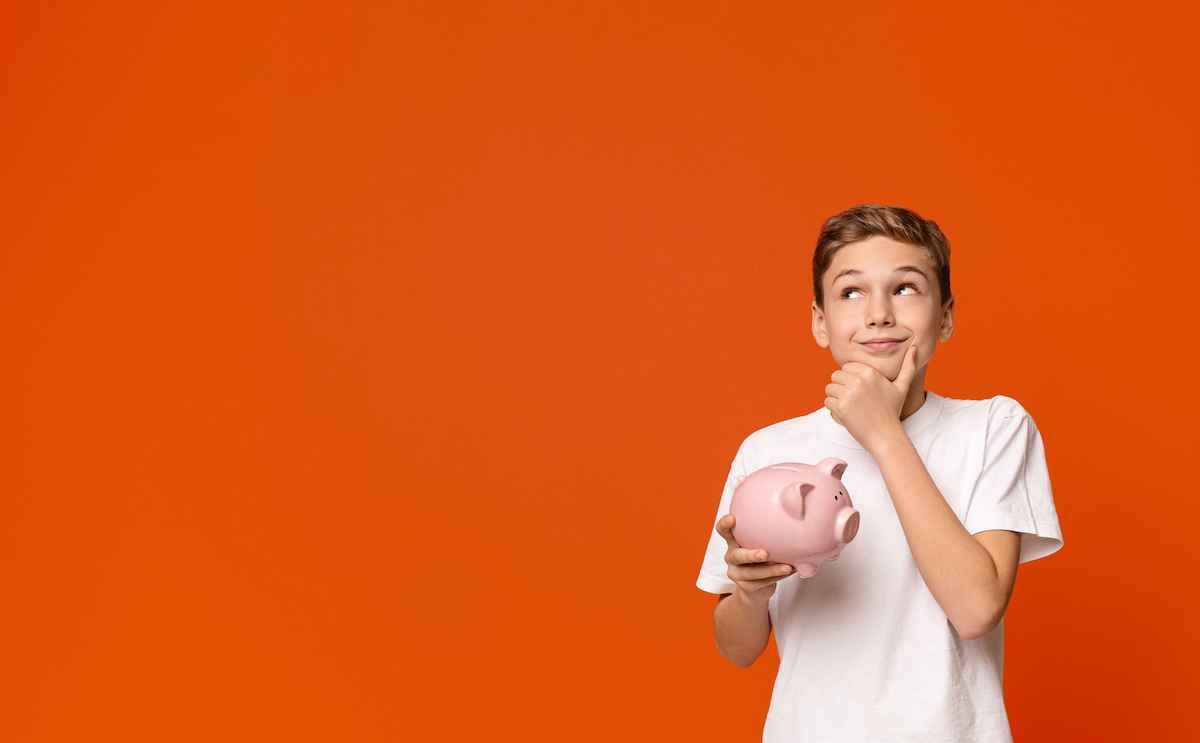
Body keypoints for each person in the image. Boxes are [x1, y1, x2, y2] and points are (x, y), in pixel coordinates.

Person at [696, 204, 1063, 742]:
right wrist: (750, 593)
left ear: (946, 316)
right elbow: (737, 649)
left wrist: (884, 434)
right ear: (821, 323)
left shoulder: (994, 427)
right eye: (851, 292)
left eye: (906, 288)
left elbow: (977, 608)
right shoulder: (769, 449)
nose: (879, 314)